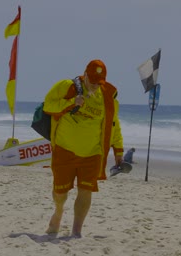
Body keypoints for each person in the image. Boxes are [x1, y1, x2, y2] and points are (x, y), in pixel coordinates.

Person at [42, 59, 124, 238]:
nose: (95, 85)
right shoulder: (67, 86)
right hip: (65, 149)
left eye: (99, 82)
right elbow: (48, 105)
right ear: (85, 75)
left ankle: (76, 231)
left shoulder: (108, 96)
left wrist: (118, 149)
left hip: (93, 153)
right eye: (92, 80)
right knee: (60, 193)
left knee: (86, 190)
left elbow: (113, 124)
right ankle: (58, 212)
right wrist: (71, 102)